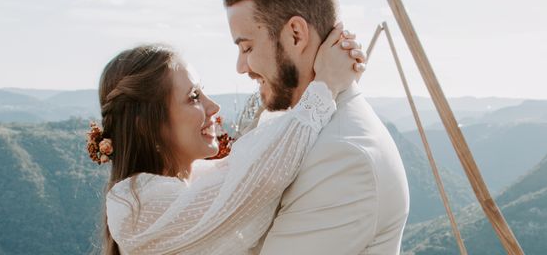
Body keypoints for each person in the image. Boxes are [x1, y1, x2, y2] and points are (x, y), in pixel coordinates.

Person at [95, 26, 364, 254]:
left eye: (204, 92)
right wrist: (326, 85)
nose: (213, 107)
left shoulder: (200, 179)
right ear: (147, 126)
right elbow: (259, 180)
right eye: (193, 97)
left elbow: (259, 158)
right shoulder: (132, 205)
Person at [224, 0, 410, 255]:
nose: (241, 67)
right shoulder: (298, 123)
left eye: (246, 48)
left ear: (296, 34)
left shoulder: (343, 156)